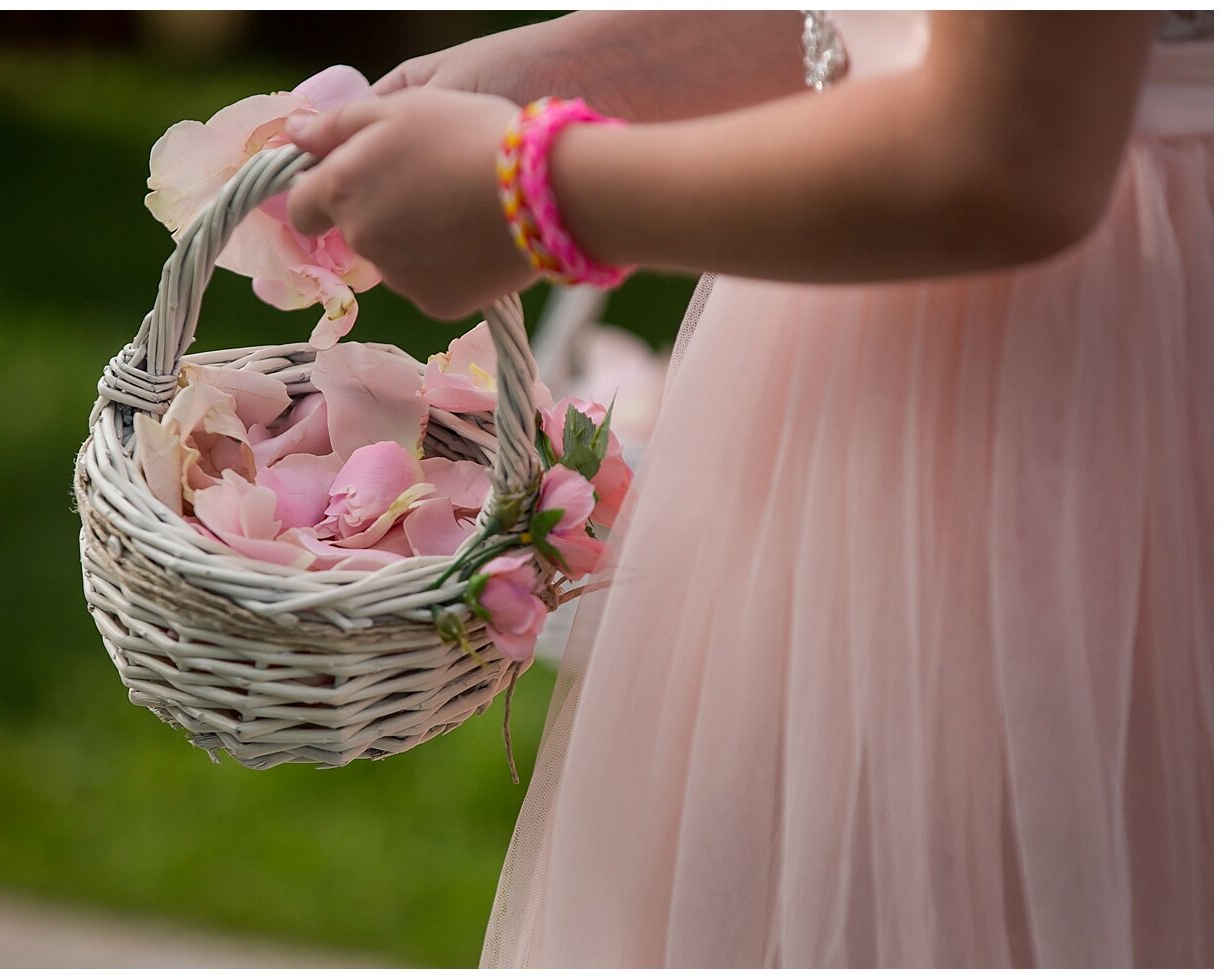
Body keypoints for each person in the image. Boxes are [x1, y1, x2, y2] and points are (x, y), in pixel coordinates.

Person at [283, 11, 1212, 967]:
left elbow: (1014, 147)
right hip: (842, 410)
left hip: (1046, 442)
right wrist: (572, 65)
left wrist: (537, 190)